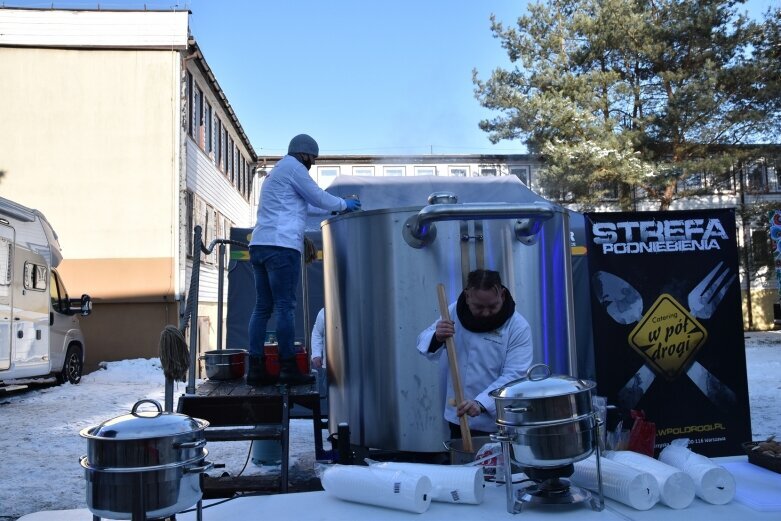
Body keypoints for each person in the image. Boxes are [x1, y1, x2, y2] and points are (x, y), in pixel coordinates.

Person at [247, 134, 361, 386]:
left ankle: (255, 369)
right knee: (285, 307)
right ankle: (288, 368)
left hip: (259, 246)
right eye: (314, 159)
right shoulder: (294, 168)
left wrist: (336, 208)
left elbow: (307, 205)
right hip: (281, 247)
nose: (313, 163)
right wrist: (344, 203)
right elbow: (317, 195)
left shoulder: (277, 172)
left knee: (262, 308)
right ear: (305, 154)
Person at [416, 269, 533, 438]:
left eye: (492, 306)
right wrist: (437, 336)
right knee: (462, 463)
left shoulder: (518, 327)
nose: (486, 313)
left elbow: (515, 375)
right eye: (478, 307)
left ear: (503, 295)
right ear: (468, 296)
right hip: (459, 416)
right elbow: (423, 340)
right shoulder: (455, 310)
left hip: (499, 421)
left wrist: (481, 403)